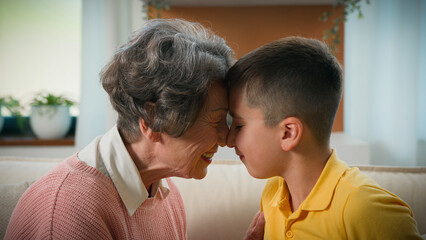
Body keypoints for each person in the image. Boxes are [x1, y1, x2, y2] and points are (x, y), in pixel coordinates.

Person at [5, 19, 234, 239]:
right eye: (216, 121)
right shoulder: (70, 209)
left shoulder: (164, 192)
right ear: (153, 119)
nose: (227, 138)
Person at [225, 37, 423, 239]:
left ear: (288, 133)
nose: (228, 140)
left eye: (239, 125)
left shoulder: (369, 210)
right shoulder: (273, 192)